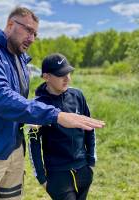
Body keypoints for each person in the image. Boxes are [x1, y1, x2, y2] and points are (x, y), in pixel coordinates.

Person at [0, 7, 105, 200]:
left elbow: (21, 104)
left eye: (35, 33)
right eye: (28, 30)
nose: (32, 38)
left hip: (14, 149)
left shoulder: (20, 60)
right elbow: (0, 97)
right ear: (11, 24)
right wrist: (57, 115)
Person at [29, 53, 96, 200]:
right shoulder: (37, 106)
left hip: (83, 168)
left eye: (68, 73)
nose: (68, 78)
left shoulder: (78, 96)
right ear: (46, 77)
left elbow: (89, 129)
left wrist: (91, 162)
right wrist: (42, 178)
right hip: (57, 174)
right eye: (61, 75)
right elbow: (33, 144)